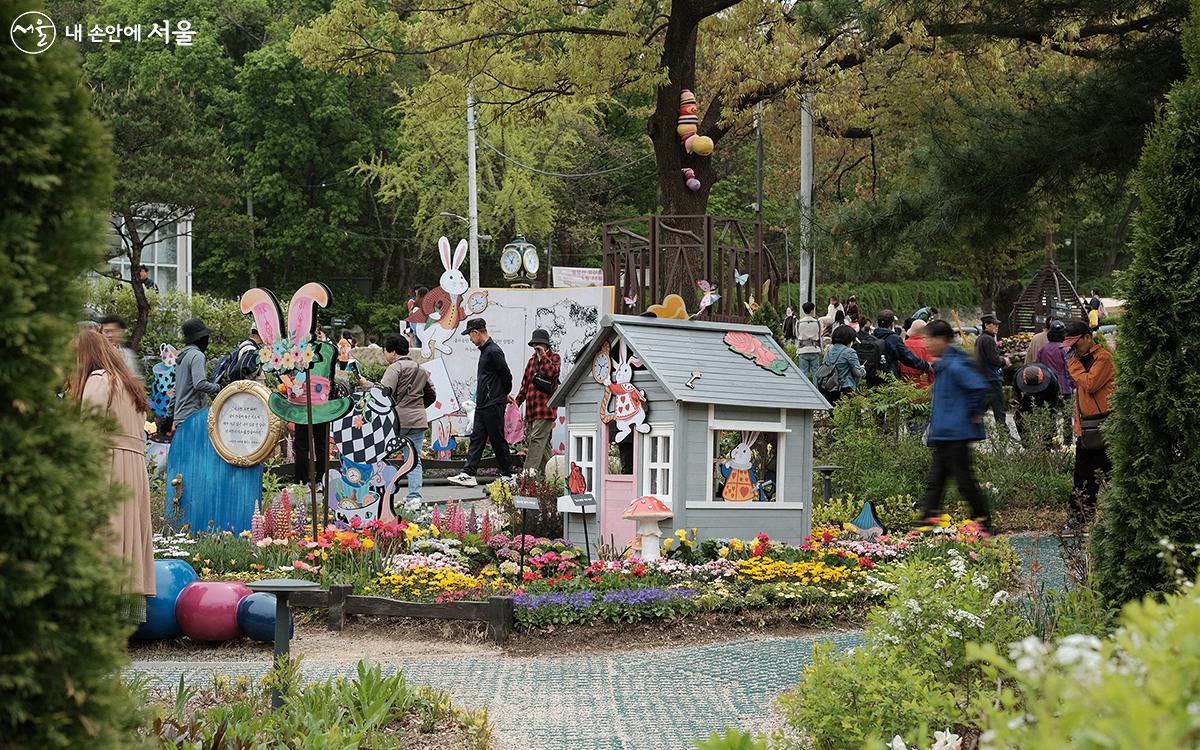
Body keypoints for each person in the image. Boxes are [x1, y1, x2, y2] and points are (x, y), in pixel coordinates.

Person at [71, 329, 155, 621]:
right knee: (128, 539)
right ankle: (124, 616)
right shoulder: (129, 386)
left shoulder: (98, 382)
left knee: (103, 538)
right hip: (134, 469)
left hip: (108, 465)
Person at [920, 320, 992, 530]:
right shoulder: (945, 364)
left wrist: (974, 412)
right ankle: (927, 520)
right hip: (945, 433)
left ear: (941, 340)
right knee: (938, 480)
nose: (926, 344)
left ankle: (982, 521)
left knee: (963, 481)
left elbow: (979, 388)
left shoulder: (955, 365)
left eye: (928, 339)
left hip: (955, 433)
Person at [360, 333, 434, 501]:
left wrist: (366, 385)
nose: (386, 355)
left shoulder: (395, 368)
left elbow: (383, 393)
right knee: (414, 460)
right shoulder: (420, 369)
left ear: (393, 352)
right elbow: (431, 394)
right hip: (418, 421)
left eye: (386, 351)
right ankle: (414, 498)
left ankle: (378, 493)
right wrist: (418, 408)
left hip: (396, 421)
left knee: (380, 455)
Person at [449, 318, 515, 486]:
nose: (470, 340)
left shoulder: (493, 351)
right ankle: (468, 473)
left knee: (497, 439)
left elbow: (506, 376)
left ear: (476, 332)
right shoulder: (486, 351)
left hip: (493, 403)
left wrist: (502, 394)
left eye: (470, 335)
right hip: (484, 404)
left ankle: (508, 475)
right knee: (477, 438)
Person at [1063, 320, 1115, 522]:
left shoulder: (1103, 358)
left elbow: (1090, 384)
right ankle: (1079, 519)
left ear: (1087, 337)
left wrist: (1072, 364)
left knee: (1111, 476)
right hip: (1086, 428)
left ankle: (1119, 520)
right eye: (1071, 344)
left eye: (1077, 342)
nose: (1074, 347)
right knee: (1082, 478)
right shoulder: (1079, 359)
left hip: (1104, 425)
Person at [513, 328, 561, 478]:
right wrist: (516, 403)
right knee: (543, 445)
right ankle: (552, 478)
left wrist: (544, 357)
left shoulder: (554, 358)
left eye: (539, 344)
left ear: (546, 344)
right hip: (532, 411)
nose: (536, 347)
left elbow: (552, 373)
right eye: (534, 344)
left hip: (545, 410)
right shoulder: (531, 362)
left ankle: (528, 474)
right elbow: (524, 385)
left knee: (536, 439)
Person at [173, 317, 220, 430]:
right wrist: (219, 387)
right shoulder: (197, 355)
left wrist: (170, 415)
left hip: (180, 416)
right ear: (200, 338)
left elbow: (176, 391)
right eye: (206, 337)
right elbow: (199, 384)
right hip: (192, 416)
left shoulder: (182, 357)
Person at [873, 309, 932, 381]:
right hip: (889, 377)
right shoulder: (893, 339)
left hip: (873, 376)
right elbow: (907, 357)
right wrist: (927, 366)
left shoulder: (872, 336)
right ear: (892, 324)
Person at [1012, 362, 1060, 445]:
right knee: (1019, 418)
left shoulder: (1052, 379)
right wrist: (1017, 402)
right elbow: (1015, 391)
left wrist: (1051, 411)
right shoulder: (1018, 376)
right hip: (1028, 397)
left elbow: (1055, 397)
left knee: (1049, 420)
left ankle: (1048, 445)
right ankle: (1026, 443)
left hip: (1046, 397)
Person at [974, 314, 1009, 428]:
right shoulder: (988, 339)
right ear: (986, 325)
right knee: (998, 407)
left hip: (982, 378)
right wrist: (1004, 360)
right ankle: (1003, 432)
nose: (997, 327)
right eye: (994, 324)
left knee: (981, 406)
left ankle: (969, 427)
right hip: (992, 378)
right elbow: (994, 359)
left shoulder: (980, 339)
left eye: (997, 324)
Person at [822, 325, 866, 401]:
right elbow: (857, 373)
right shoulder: (850, 352)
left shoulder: (829, 350)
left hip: (830, 388)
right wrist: (863, 370)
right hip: (845, 388)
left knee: (833, 411)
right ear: (849, 339)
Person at [1035, 320, 1074, 399]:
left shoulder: (1042, 349)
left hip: (1046, 387)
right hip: (1063, 388)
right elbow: (1071, 369)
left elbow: (1037, 368)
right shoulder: (1066, 349)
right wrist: (1074, 386)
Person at [97, 314, 142, 378]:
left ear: (121, 332)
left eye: (113, 331)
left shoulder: (128, 355)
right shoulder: (96, 354)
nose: (110, 335)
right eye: (106, 331)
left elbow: (135, 379)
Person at [899, 319, 933, 388]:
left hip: (904, 388)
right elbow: (932, 370)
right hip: (923, 389)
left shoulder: (902, 344)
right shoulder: (928, 346)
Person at [795, 302, 822, 380]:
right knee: (816, 373)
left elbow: (797, 335)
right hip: (814, 349)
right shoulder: (817, 322)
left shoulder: (799, 322)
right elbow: (820, 335)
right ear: (812, 311)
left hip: (803, 350)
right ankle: (816, 390)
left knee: (803, 373)